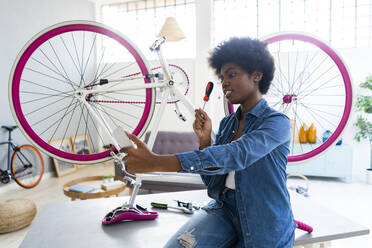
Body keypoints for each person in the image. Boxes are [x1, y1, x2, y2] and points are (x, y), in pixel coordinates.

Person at [122, 37, 296, 248]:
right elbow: (212, 181)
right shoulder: (228, 123)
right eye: (222, 78)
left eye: (232, 75)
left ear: (257, 75)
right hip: (224, 208)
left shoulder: (277, 123)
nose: (225, 83)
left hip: (266, 218)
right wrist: (204, 141)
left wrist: (156, 162)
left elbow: (237, 154)